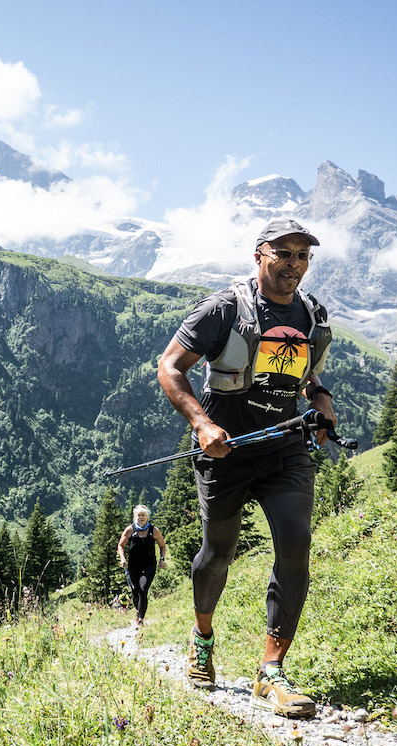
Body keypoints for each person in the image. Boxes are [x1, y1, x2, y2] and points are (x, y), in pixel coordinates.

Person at [156, 218, 336, 719]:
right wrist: (200, 424)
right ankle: (203, 638)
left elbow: (305, 376)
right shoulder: (224, 309)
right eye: (285, 254)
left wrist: (320, 401)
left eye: (303, 256)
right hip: (226, 450)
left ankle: (271, 671)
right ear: (260, 254)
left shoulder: (312, 315)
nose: (295, 265)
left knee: (296, 541)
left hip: (285, 447)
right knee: (219, 552)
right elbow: (170, 366)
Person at [117, 505, 167, 626]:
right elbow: (121, 545)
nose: (141, 517)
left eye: (143, 515)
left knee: (143, 589)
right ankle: (138, 611)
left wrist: (162, 559)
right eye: (139, 515)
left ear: (147, 516)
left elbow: (162, 545)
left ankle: (141, 618)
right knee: (135, 592)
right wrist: (122, 558)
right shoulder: (130, 530)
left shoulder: (153, 531)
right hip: (133, 566)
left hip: (149, 565)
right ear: (135, 517)